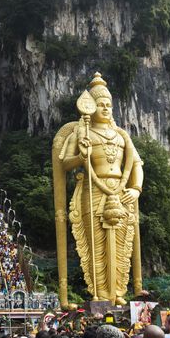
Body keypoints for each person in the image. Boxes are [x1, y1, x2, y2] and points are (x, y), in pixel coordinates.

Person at [53, 72, 143, 307]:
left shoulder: (122, 135)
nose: (105, 108)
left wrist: (136, 188)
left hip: (121, 190)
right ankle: (101, 294)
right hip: (93, 189)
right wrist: (82, 156)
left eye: (108, 105)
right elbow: (64, 163)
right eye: (100, 104)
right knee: (96, 244)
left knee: (122, 242)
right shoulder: (81, 132)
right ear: (90, 107)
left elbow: (136, 164)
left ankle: (118, 292)